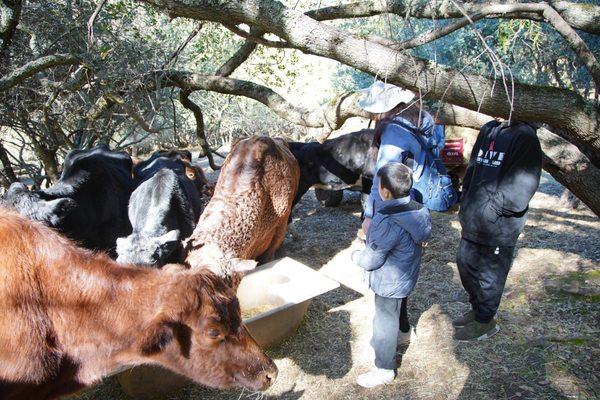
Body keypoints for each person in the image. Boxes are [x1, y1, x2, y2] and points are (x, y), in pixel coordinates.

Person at [453, 119, 542, 341]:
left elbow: (523, 185)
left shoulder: (525, 136)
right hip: (473, 217)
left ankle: (485, 322)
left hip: (500, 225)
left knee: (490, 276)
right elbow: (473, 167)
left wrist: (491, 210)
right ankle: (477, 310)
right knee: (465, 265)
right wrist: (466, 201)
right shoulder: (489, 129)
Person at [351, 162, 431, 388]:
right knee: (400, 303)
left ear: (385, 191)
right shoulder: (418, 208)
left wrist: (356, 255)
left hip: (388, 281)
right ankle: (404, 333)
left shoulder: (386, 219)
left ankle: (384, 368)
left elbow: (372, 259)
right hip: (406, 274)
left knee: (384, 321)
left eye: (378, 186)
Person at [357, 81, 436, 235]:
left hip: (397, 204)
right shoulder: (423, 120)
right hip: (416, 197)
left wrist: (369, 216)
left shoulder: (395, 130)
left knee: (392, 249)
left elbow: (383, 176)